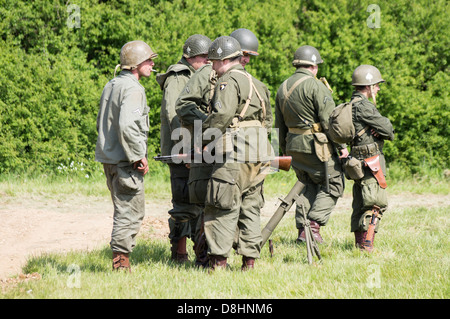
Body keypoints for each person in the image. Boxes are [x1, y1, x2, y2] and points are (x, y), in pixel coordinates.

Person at [201, 36, 273, 270]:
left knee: (221, 205)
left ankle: (218, 263)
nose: (212, 66)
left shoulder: (228, 80)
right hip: (260, 153)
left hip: (235, 154)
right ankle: (249, 262)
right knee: (251, 206)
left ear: (223, 60)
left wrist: (204, 137)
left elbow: (221, 116)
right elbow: (268, 121)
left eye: (213, 61)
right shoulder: (258, 84)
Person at [274, 45, 347, 244]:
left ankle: (303, 232)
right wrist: (341, 148)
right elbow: (329, 122)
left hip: (293, 146)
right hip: (316, 147)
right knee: (333, 183)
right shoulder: (316, 86)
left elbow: (278, 125)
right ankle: (313, 227)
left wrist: (283, 151)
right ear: (314, 66)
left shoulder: (283, 86)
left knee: (306, 186)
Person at [95, 40, 157, 272]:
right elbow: (128, 126)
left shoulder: (112, 84)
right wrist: (138, 156)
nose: (152, 64)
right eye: (148, 60)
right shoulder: (132, 88)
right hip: (125, 161)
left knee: (124, 209)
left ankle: (120, 260)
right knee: (129, 211)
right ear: (135, 65)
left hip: (111, 159)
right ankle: (121, 264)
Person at [156, 34, 211, 263]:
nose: (208, 61)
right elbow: (174, 113)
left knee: (197, 200)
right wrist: (186, 148)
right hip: (182, 149)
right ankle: (179, 254)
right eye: (204, 57)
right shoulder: (179, 75)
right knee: (182, 203)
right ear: (191, 57)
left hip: (193, 148)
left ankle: (199, 251)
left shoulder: (197, 74)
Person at [346, 64, 395, 252]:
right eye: (376, 85)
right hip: (371, 160)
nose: (378, 88)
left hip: (355, 161)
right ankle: (367, 245)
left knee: (359, 201)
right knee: (375, 202)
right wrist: (382, 130)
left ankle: (360, 243)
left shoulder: (349, 105)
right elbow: (388, 129)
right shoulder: (365, 106)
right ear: (368, 86)